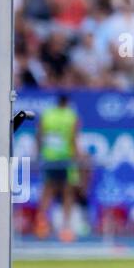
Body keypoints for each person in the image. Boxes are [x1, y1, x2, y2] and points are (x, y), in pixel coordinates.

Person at [35, 94, 81, 242]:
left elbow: (39, 135)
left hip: (49, 157)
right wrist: (77, 156)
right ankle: (66, 228)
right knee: (68, 192)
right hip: (65, 158)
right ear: (67, 103)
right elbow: (74, 138)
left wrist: (38, 153)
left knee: (47, 191)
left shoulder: (47, 115)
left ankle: (41, 225)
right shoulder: (71, 116)